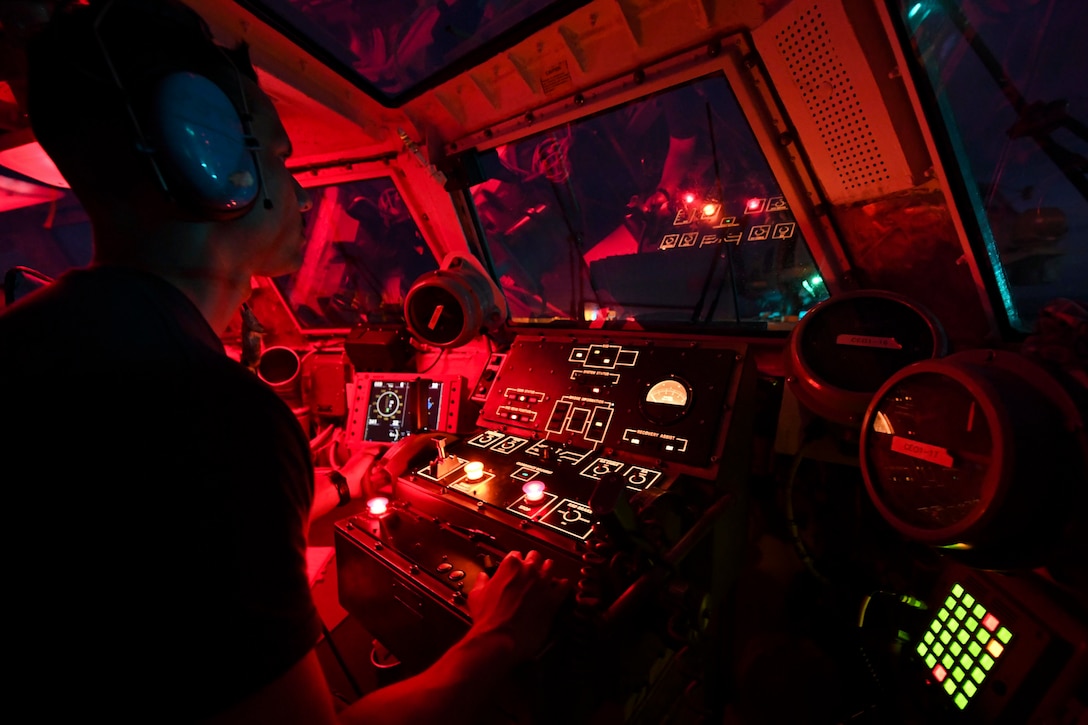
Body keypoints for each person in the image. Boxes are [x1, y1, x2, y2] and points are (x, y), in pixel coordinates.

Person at [0, 0, 567, 722]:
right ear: (212, 163)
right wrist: (499, 636)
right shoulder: (215, 409)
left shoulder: (36, 334)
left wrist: (342, 477)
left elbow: (160, 555)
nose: (298, 192)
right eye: (279, 158)